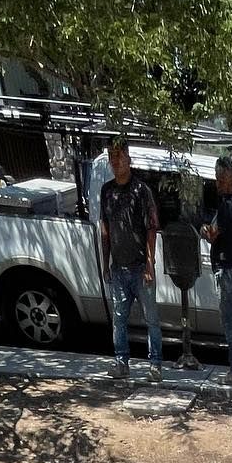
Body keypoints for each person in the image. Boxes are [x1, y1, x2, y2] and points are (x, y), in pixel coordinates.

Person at [97, 137, 163, 383]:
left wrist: (149, 264)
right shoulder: (107, 191)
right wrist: (106, 263)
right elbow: (105, 228)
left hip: (139, 267)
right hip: (119, 267)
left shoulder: (141, 190)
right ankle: (121, 361)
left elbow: (151, 229)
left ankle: (155, 363)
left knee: (151, 319)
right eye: (112, 157)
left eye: (119, 156)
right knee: (119, 319)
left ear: (128, 158)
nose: (115, 162)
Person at [202, 155, 232, 386]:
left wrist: (205, 230)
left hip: (228, 272)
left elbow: (213, 233)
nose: (218, 183)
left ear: (231, 177)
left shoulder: (227, 205)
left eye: (221, 178)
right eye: (217, 179)